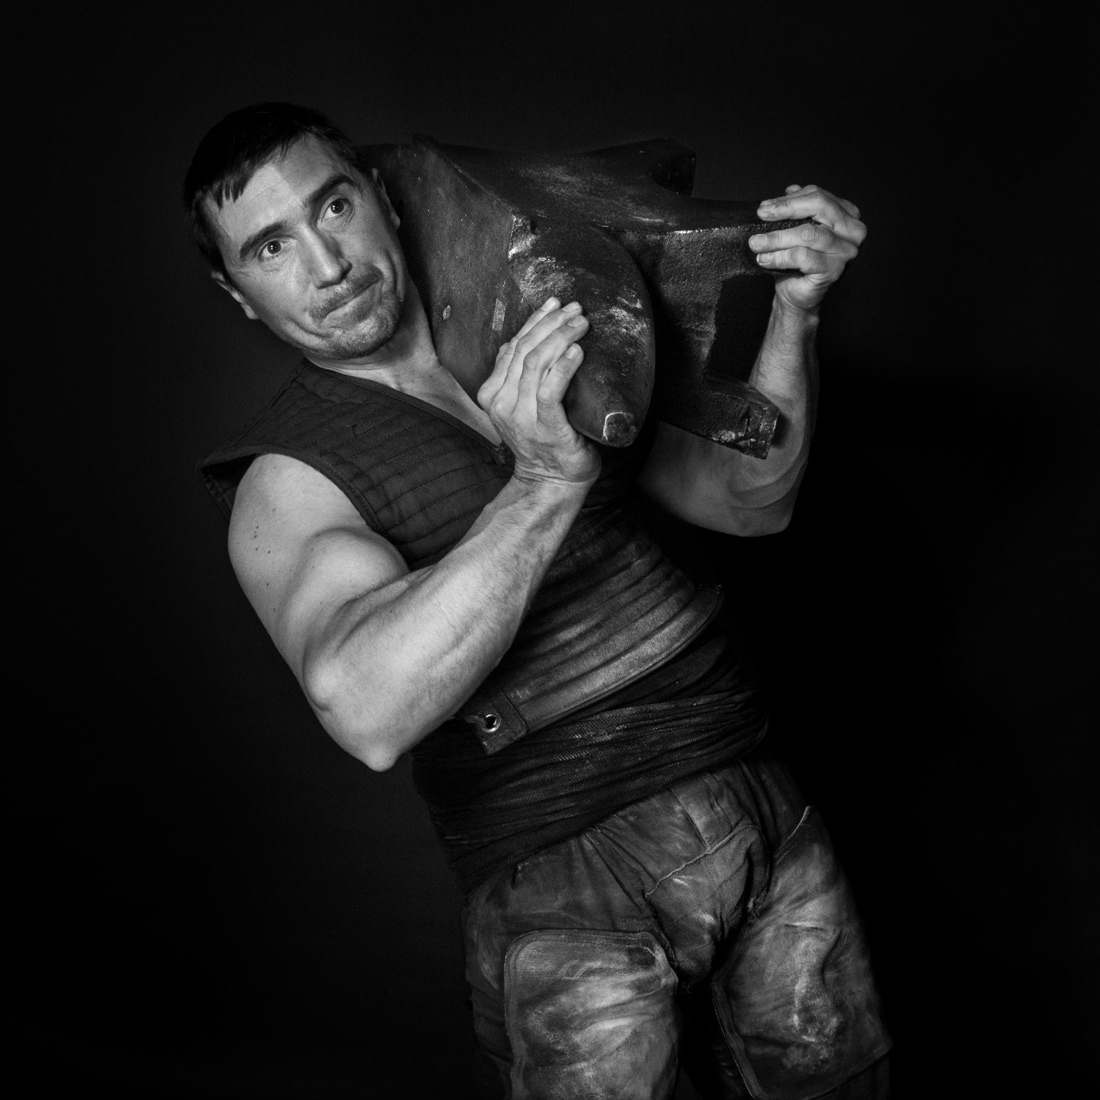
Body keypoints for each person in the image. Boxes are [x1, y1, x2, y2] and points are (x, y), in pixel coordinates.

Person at [187, 102, 889, 1099]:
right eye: (271, 246)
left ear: (381, 196)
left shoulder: (521, 319)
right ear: (239, 293)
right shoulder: (289, 480)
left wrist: (793, 314)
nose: (328, 262)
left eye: (332, 206)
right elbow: (367, 708)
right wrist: (544, 482)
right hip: (571, 891)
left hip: (763, 807)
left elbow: (748, 500)